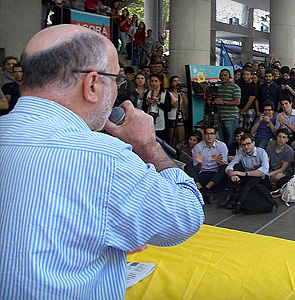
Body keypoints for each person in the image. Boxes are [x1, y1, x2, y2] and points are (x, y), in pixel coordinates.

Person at [0, 25, 203, 298]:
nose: (117, 91)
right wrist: (148, 146)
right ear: (93, 84)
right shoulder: (104, 157)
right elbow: (186, 215)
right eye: (116, 80)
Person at [221, 133, 270, 209]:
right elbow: (231, 165)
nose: (246, 147)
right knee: (235, 170)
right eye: (243, 145)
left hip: (260, 178)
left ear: (253, 143)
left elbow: (264, 170)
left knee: (253, 180)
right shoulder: (241, 152)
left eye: (248, 144)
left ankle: (238, 200)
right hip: (247, 175)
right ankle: (229, 197)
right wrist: (232, 174)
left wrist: (244, 174)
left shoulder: (261, 152)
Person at [189, 126, 228, 203]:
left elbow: (224, 164)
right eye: (207, 134)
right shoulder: (197, 147)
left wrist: (219, 163)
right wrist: (199, 163)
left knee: (225, 168)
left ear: (215, 135)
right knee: (188, 167)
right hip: (202, 174)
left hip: (215, 176)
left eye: (211, 134)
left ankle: (204, 190)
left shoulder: (221, 146)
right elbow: (197, 169)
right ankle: (201, 190)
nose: (209, 136)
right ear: (204, 135)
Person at [215, 69, 241, 145]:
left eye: (225, 75)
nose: (223, 77)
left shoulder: (235, 87)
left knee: (231, 139)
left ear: (229, 76)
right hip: (221, 117)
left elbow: (237, 101)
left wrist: (224, 103)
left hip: (231, 118)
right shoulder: (219, 88)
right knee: (222, 140)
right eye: (221, 75)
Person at [143, 74, 172, 141]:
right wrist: (147, 102)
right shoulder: (148, 93)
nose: (154, 83)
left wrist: (159, 103)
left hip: (162, 120)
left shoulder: (165, 93)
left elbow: (168, 108)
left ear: (160, 82)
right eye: (152, 81)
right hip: (150, 118)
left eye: (156, 81)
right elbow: (143, 108)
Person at [167, 76, 188, 146]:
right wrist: (180, 98)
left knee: (181, 139)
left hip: (179, 117)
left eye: (178, 80)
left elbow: (186, 103)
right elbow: (173, 105)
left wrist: (183, 95)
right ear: (172, 84)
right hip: (171, 117)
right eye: (175, 81)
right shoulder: (169, 93)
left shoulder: (181, 93)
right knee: (172, 139)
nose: (177, 82)